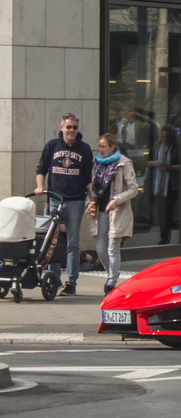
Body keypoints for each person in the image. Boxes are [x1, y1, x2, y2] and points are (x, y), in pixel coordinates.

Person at [35, 113, 94, 296]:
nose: (71, 131)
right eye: (68, 127)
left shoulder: (84, 149)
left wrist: (92, 200)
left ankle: (71, 282)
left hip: (75, 201)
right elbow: (41, 169)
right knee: (50, 241)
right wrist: (40, 187)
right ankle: (53, 278)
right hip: (54, 199)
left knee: (72, 243)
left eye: (74, 127)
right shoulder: (52, 146)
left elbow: (88, 178)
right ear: (62, 128)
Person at [86, 133, 138, 295]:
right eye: (99, 146)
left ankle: (111, 280)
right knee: (100, 248)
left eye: (103, 146)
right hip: (100, 210)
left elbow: (133, 188)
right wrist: (90, 203)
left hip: (117, 210)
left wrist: (117, 199)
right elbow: (90, 187)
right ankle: (112, 273)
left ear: (112, 146)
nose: (100, 150)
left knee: (112, 247)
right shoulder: (96, 163)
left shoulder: (123, 162)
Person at [149, 125, 180, 245]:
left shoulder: (177, 148)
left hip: (171, 184)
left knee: (168, 211)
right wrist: (154, 163)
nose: (165, 140)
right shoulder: (157, 146)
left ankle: (165, 237)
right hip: (158, 183)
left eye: (167, 137)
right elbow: (146, 161)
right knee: (161, 211)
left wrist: (168, 167)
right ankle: (164, 235)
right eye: (163, 137)